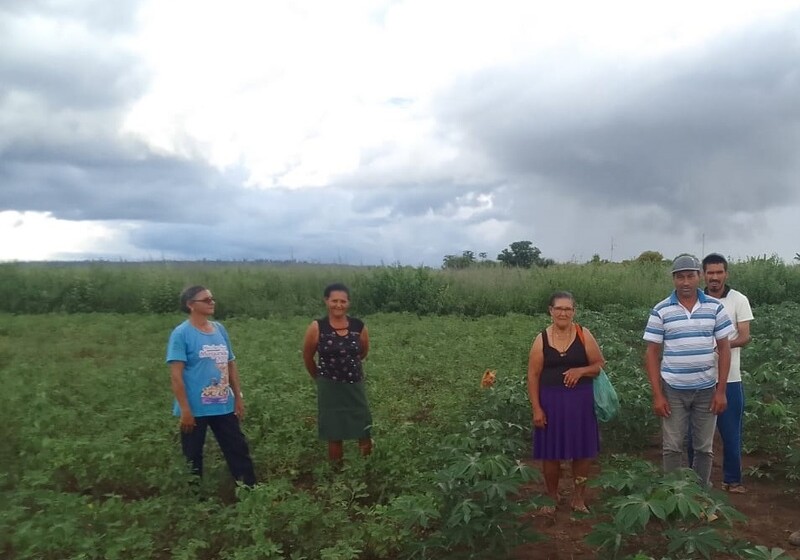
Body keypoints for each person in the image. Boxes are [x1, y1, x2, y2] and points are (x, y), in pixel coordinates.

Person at [644, 254, 733, 487]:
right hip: (673, 389)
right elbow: (652, 353)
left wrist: (721, 390)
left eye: (690, 276)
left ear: (699, 277)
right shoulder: (661, 310)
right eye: (680, 277)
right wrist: (658, 394)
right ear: (674, 279)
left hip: (706, 389)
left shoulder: (715, 308)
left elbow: (724, 349)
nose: (685, 282)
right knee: (672, 447)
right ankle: (674, 494)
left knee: (704, 448)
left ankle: (700, 494)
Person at [166, 285, 256, 487]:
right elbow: (176, 376)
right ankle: (195, 501)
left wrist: (238, 398)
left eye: (212, 299)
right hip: (195, 409)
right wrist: (185, 410)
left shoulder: (220, 330)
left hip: (224, 404)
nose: (212, 303)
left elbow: (230, 364)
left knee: (237, 449)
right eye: (206, 300)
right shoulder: (181, 334)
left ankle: (250, 492)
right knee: (193, 456)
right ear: (190, 305)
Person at [527, 291, 605, 515]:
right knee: (551, 453)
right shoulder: (541, 339)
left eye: (568, 309)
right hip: (550, 402)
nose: (563, 313)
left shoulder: (583, 334)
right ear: (550, 311)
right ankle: (552, 496)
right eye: (559, 309)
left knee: (581, 451)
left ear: (574, 311)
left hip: (580, 402)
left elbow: (599, 364)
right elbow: (533, 375)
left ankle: (578, 498)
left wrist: (581, 370)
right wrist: (537, 408)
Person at [687, 253, 753, 493]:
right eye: (710, 273)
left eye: (719, 272)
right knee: (694, 434)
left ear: (726, 274)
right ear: (703, 275)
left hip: (730, 378)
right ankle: (694, 480)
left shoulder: (738, 300)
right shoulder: (695, 300)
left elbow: (745, 336)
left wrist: (723, 345)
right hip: (699, 378)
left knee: (730, 432)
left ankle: (732, 480)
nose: (714, 277)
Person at [303, 283, 373, 463]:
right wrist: (320, 378)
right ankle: (337, 473)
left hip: (354, 384)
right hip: (329, 387)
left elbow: (363, 352)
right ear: (326, 301)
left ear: (348, 303)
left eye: (343, 301)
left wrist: (349, 367)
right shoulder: (317, 327)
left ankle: (366, 468)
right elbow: (308, 357)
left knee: (363, 427)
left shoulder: (358, 326)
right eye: (334, 301)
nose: (338, 305)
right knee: (334, 432)